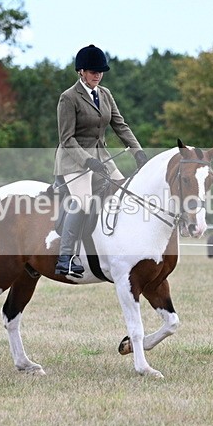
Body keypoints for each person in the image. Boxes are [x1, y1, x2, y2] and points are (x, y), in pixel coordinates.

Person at [54, 44, 148, 277]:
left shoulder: (105, 94)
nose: (97, 75)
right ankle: (65, 257)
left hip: (102, 157)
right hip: (73, 160)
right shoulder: (68, 98)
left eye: (100, 71)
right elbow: (66, 139)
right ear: (81, 72)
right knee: (84, 201)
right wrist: (87, 161)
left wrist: (138, 151)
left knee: (124, 193)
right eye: (93, 71)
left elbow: (120, 125)